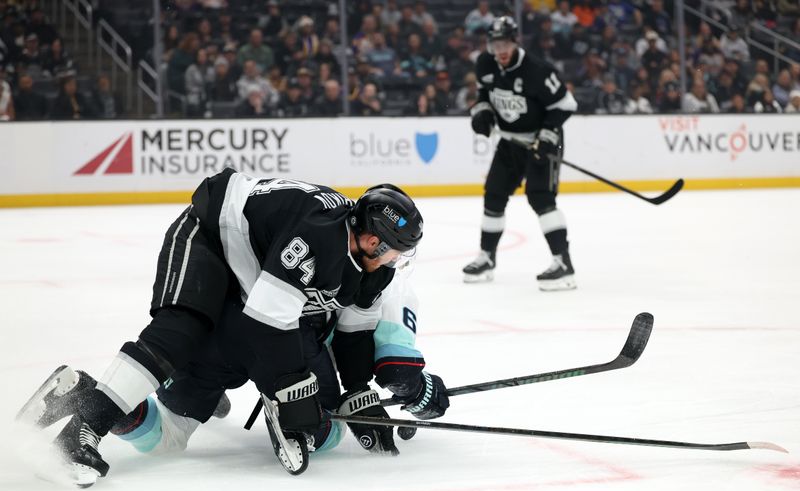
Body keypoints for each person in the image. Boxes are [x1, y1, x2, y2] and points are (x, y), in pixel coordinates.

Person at [16, 173, 424, 486]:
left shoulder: (368, 266)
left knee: (168, 439)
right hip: (209, 235)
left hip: (245, 274)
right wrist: (291, 391)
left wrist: (357, 393)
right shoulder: (319, 236)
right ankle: (81, 432)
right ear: (371, 240)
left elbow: (353, 335)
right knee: (180, 330)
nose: (397, 261)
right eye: (395, 251)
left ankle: (78, 392)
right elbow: (269, 321)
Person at [105, 253, 447, 461]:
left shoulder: (312, 238)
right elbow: (397, 370)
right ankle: (292, 415)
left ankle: (107, 407)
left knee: (168, 432)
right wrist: (419, 393)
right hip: (288, 348)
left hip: (214, 324)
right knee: (329, 434)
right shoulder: (390, 283)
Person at [464, 16, 578, 291]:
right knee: (493, 194)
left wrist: (548, 136)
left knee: (540, 198)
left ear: (515, 42)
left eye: (505, 43)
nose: (499, 50)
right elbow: (484, 96)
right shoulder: (485, 63)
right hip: (510, 142)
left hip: (541, 141)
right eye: (494, 44)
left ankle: (563, 264)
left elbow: (566, 104)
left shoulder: (537, 70)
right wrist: (482, 113)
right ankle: (487, 257)